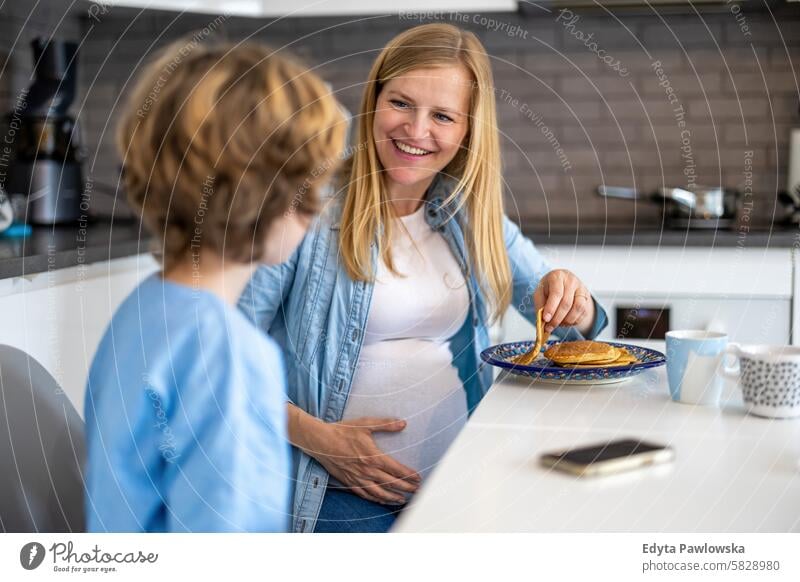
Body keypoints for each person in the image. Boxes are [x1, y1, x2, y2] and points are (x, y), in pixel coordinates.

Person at [238, 23, 608, 533]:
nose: (416, 131)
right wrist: (322, 440)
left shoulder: (469, 214)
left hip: (464, 489)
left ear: (466, 131)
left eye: (442, 116)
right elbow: (221, 363)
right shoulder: (306, 207)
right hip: (336, 495)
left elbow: (572, 327)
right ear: (373, 100)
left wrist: (572, 294)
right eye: (401, 103)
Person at [84, 41, 345, 532]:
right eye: (311, 187)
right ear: (269, 196)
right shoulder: (230, 355)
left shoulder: (140, 313)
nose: (319, 208)